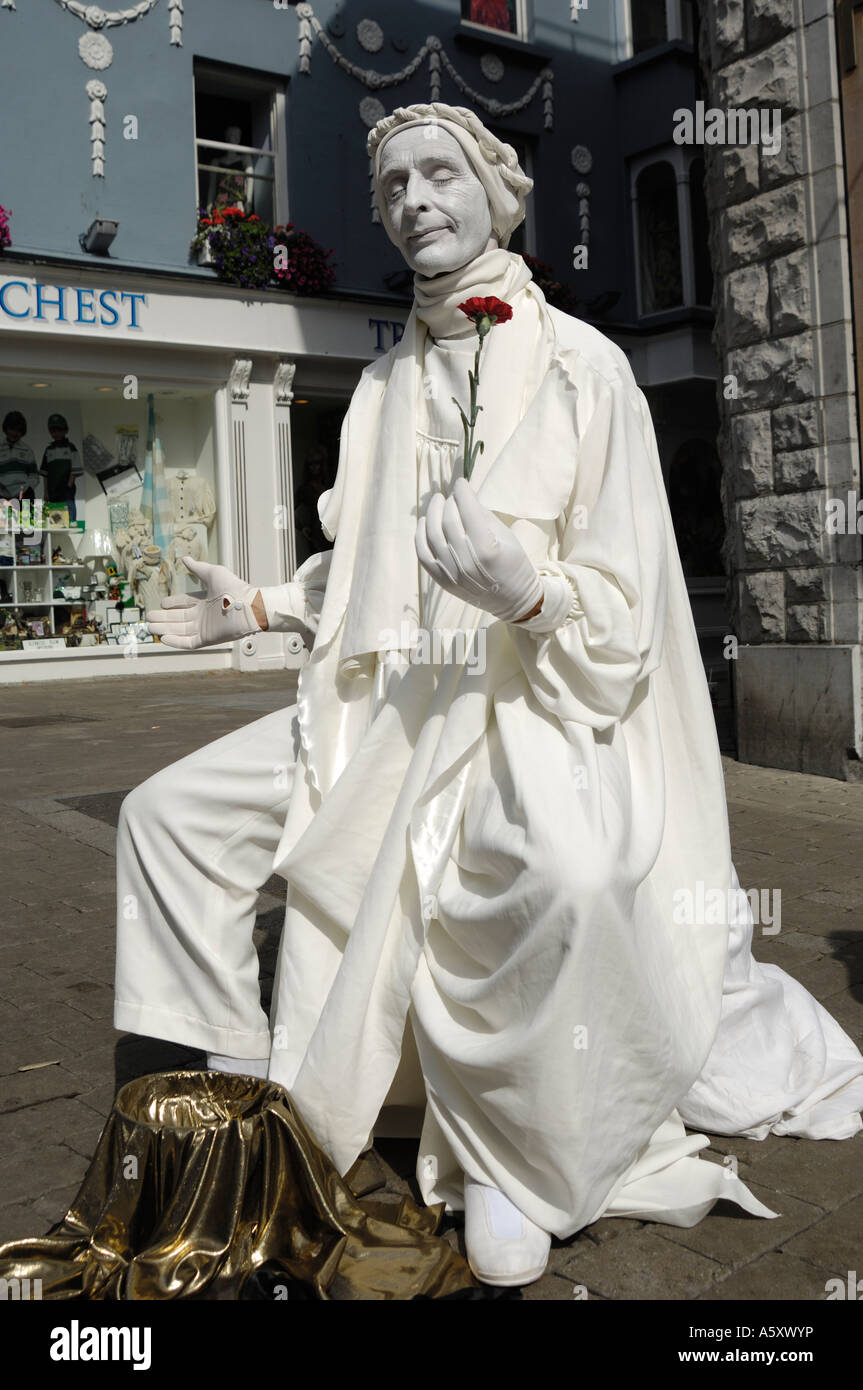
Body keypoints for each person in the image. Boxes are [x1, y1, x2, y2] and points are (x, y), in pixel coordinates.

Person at [122, 102, 863, 1289]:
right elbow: (370, 568)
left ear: (493, 191)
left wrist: (527, 592)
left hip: (534, 703)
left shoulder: (585, 369)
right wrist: (262, 607)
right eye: (392, 184)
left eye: (438, 174)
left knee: (558, 874)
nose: (415, 198)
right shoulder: (377, 392)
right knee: (165, 816)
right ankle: (242, 1094)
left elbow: (630, 599)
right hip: (375, 711)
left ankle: (511, 1154)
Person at [39, 413, 83, 521]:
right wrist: (46, 492)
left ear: (66, 430)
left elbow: (75, 469)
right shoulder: (48, 450)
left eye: (59, 430)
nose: (56, 433)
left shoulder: (70, 447)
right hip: (52, 491)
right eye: (53, 430)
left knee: (69, 519)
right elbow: (45, 473)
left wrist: (68, 485)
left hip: (66, 491)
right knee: (55, 521)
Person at [0, 410, 39, 504]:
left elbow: (34, 475)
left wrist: (27, 488)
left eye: (19, 430)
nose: (15, 433)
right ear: (6, 429)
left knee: (27, 519)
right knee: (5, 519)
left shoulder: (27, 450)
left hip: (24, 494)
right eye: (12, 429)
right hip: (2, 495)